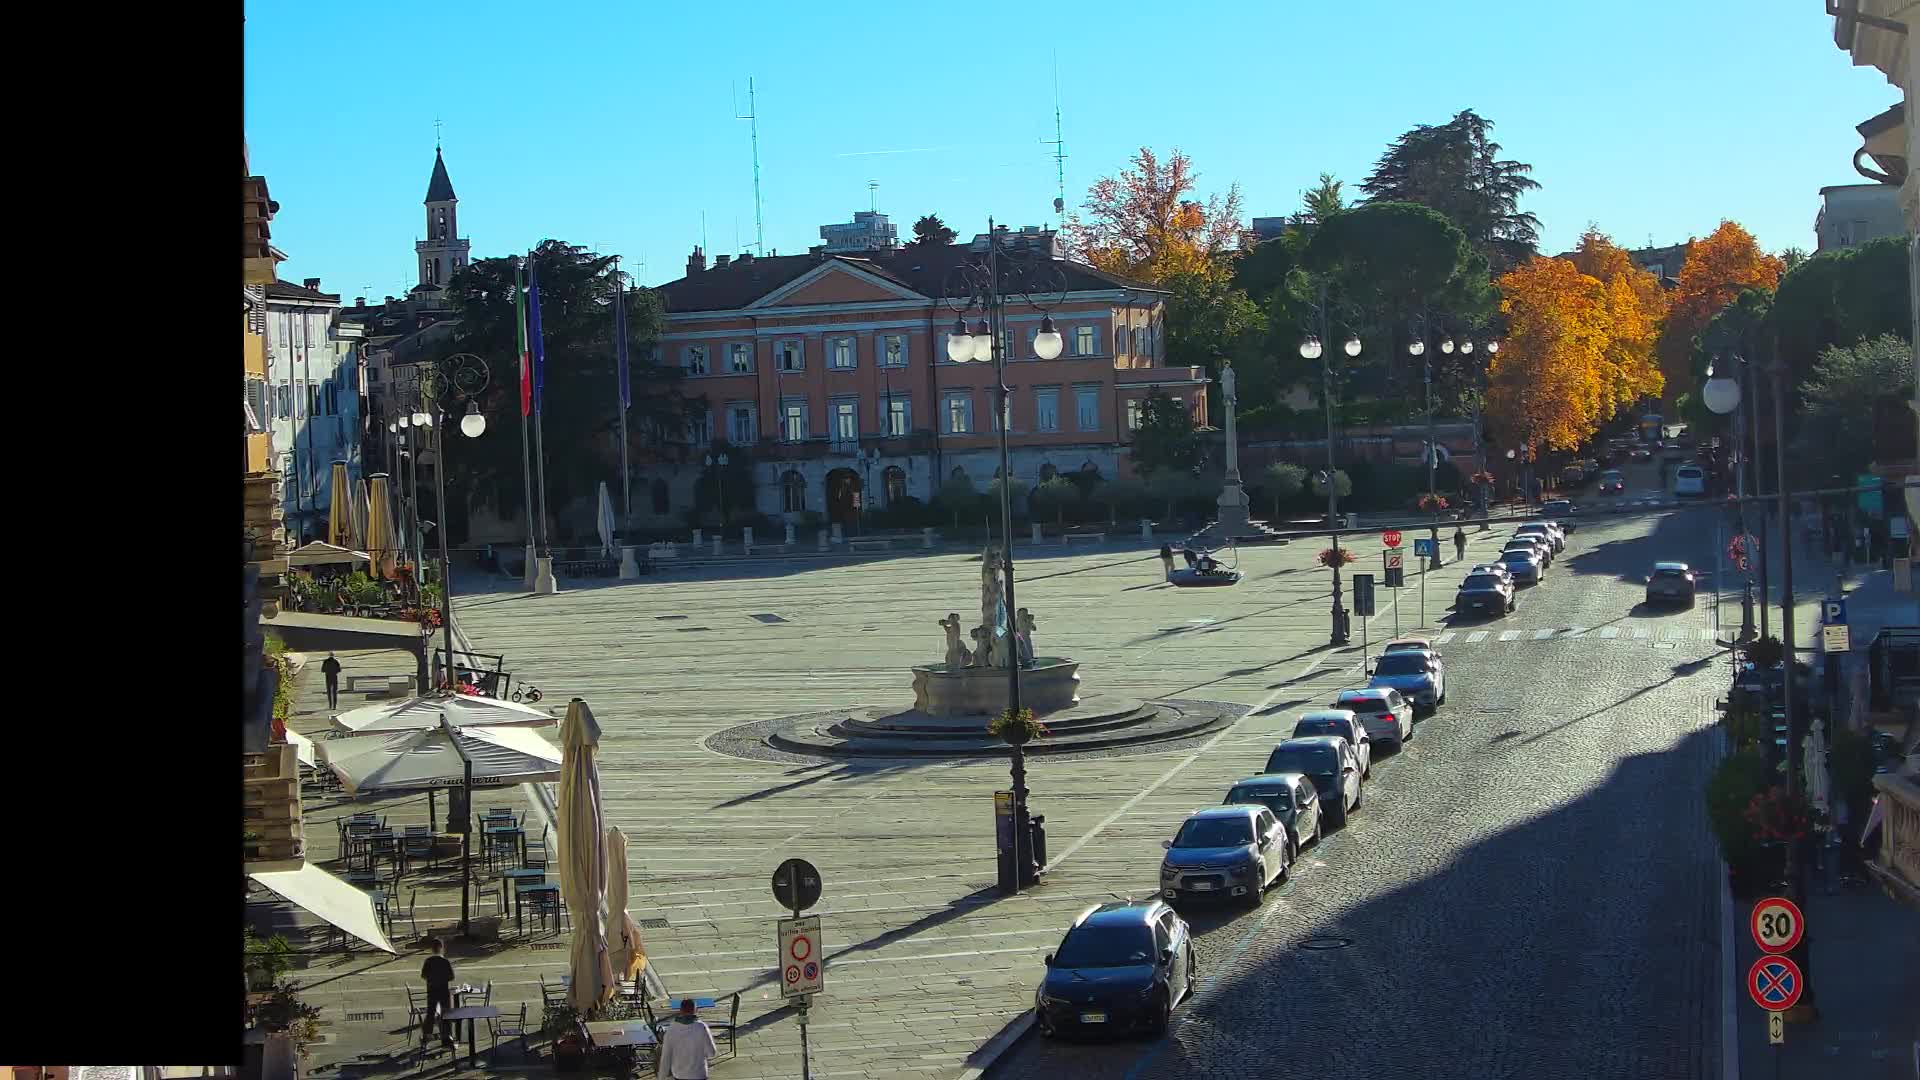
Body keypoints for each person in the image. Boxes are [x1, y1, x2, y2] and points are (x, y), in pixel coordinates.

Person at [656, 998, 720, 1080]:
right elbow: (712, 1053)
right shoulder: (701, 1027)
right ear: (695, 1010)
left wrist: (661, 1077)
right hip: (699, 1074)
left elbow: (665, 1058)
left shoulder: (671, 1029)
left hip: (679, 1075)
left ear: (680, 1010)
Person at [419, 937, 457, 1051]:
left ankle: (426, 1036)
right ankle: (447, 1037)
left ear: (432, 949)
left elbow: (423, 975)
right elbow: (451, 977)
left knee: (430, 1013)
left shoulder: (428, 961)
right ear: (441, 948)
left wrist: (432, 979)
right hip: (443, 991)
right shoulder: (445, 961)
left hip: (431, 990)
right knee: (445, 1013)